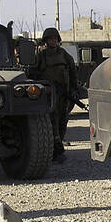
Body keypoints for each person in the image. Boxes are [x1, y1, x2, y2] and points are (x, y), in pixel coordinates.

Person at [32, 27, 78, 162]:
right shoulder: (41, 56)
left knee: (62, 121)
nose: (52, 41)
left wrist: (73, 90)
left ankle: (58, 146)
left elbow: (73, 74)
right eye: (50, 39)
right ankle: (55, 151)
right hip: (48, 95)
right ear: (45, 41)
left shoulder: (64, 55)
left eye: (54, 39)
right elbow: (33, 74)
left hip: (63, 95)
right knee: (51, 122)